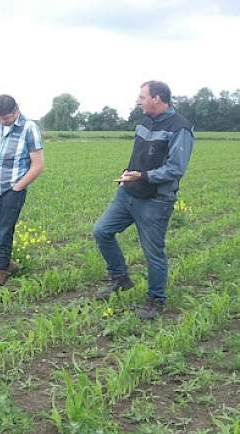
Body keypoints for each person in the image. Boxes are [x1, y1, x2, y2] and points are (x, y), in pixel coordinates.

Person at [92, 81, 194, 320]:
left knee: (153, 253)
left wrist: (144, 176)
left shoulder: (180, 128)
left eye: (142, 97)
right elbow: (141, 156)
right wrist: (129, 174)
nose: (138, 101)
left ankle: (156, 300)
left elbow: (176, 168)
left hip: (156, 200)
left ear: (157, 98)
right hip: (128, 192)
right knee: (101, 231)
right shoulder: (145, 122)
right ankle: (120, 279)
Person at [0, 95, 45, 297]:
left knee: (4, 233)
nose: (3, 121)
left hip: (12, 190)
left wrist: (17, 188)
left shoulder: (29, 128)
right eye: (0, 118)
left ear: (16, 110)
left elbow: (38, 164)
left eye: (7, 117)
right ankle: (8, 264)